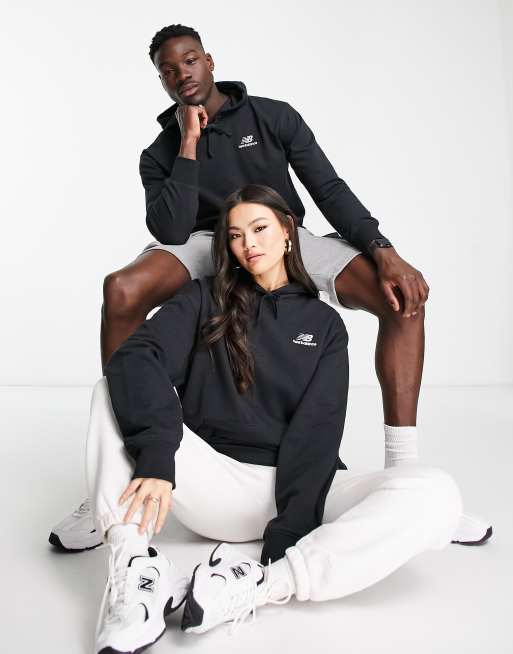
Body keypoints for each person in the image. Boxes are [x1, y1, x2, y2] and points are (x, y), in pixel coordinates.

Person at [49, 23, 490, 552]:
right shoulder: (159, 151)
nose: (181, 73)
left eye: (189, 60)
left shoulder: (272, 116)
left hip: (283, 233)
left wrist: (383, 250)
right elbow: (170, 229)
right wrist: (188, 143)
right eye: (167, 70)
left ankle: (405, 478)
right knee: (120, 290)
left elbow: (327, 187)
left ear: (209, 61)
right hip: (205, 237)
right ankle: (115, 476)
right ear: (160, 81)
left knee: (403, 301)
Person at [88, 185, 463, 652]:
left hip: (291, 489)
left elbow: (318, 431)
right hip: (212, 484)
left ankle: (262, 584)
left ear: (288, 232)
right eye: (235, 236)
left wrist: (289, 532)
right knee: (109, 390)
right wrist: (158, 456)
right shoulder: (203, 298)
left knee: (436, 493)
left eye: (260, 228)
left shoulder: (325, 326)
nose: (249, 244)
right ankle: (135, 570)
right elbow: (136, 357)